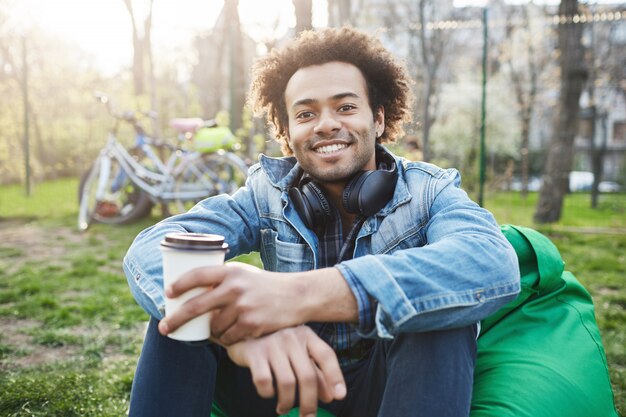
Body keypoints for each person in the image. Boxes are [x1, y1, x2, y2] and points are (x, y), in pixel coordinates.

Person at [123, 27, 520, 417]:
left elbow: (490, 261)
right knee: (180, 311)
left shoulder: (430, 190)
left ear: (379, 119)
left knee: (435, 316)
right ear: (286, 131)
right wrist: (242, 330)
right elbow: (153, 248)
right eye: (306, 113)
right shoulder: (263, 194)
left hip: (386, 381)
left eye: (346, 107)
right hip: (282, 378)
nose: (326, 124)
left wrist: (297, 297)